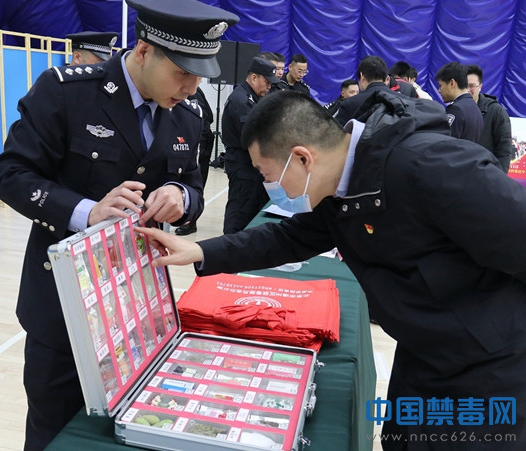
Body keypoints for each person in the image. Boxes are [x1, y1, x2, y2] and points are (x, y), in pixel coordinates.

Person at [138, 90, 526, 450]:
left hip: (488, 366)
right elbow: (287, 238)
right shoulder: (341, 187)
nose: (268, 186)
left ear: (303, 158)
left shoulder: (431, 166)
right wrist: (199, 250)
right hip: (424, 350)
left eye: (267, 175)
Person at [0, 0, 239, 448]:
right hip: (63, 306)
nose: (191, 87)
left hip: (138, 308)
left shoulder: (187, 113)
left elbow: (194, 187)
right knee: (53, 429)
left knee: (119, 431)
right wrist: (86, 212)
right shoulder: (67, 92)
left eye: (200, 76)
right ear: (143, 51)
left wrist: (180, 196)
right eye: (182, 72)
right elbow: (10, 175)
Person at [221, 56, 279, 234]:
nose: (269, 87)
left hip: (253, 166)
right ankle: (229, 247)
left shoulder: (255, 98)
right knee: (240, 213)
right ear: (254, 78)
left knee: (253, 211)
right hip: (243, 165)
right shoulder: (241, 101)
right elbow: (252, 138)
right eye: (267, 82)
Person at [175, 85, 215, 235]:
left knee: (193, 182)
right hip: (201, 138)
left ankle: (190, 222)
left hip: (200, 140)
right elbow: (210, 115)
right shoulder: (196, 90)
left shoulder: (190, 92)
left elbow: (205, 116)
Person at [466, 64, 513, 173]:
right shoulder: (454, 110)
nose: (467, 90)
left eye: (472, 86)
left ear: (480, 86)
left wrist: (499, 177)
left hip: (485, 174)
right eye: (464, 86)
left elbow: (504, 150)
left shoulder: (496, 111)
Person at [334, 55, 394, 126]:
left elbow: (334, 130)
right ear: (387, 79)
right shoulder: (403, 100)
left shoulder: (350, 103)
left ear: (362, 77)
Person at [436, 61, 483, 142]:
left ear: (452, 83)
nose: (439, 90)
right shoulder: (475, 108)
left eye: (441, 86)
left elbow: (446, 143)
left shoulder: (456, 109)